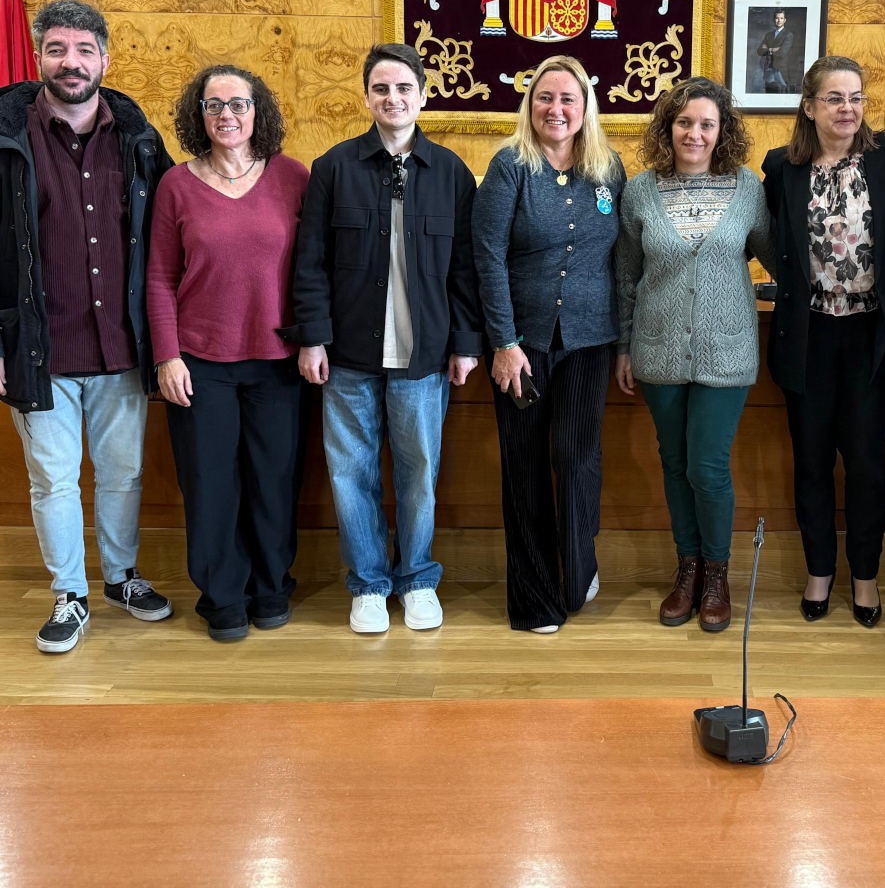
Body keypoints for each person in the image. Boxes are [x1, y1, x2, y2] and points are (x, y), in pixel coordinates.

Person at [289, 44, 483, 635]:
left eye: (403, 88)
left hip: (424, 356)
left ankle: (417, 578)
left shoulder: (451, 172)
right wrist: (312, 338)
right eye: (381, 89)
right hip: (348, 354)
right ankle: (369, 584)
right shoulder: (333, 167)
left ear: (423, 95)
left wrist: (466, 342)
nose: (393, 99)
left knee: (419, 472)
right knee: (351, 473)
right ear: (367, 97)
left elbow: (465, 270)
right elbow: (310, 261)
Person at [0, 0, 174, 654]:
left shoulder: (139, 139)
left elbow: (168, 240)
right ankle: (70, 594)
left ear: (104, 58)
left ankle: (121, 578)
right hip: (38, 349)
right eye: (57, 49)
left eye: (83, 50)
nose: (70, 62)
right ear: (39, 56)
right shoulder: (7, 138)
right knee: (53, 479)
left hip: (122, 348)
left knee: (123, 474)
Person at [148, 65, 309, 642]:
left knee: (274, 482)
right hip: (199, 362)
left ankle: (270, 589)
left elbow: (314, 268)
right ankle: (223, 599)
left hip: (278, 361)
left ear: (257, 110)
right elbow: (160, 278)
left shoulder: (293, 177)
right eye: (213, 105)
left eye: (238, 103)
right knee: (211, 485)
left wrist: (314, 337)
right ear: (199, 116)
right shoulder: (176, 185)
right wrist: (166, 356)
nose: (227, 115)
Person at [474, 55, 625, 633]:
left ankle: (578, 568)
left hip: (591, 341)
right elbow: (487, 256)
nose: (556, 109)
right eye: (545, 97)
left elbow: (622, 256)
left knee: (579, 458)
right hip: (523, 344)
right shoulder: (510, 166)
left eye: (567, 99)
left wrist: (625, 340)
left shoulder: (608, 169)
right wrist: (503, 342)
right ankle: (534, 598)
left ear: (585, 108)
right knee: (526, 464)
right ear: (529, 104)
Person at [617, 77, 773, 632]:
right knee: (675, 463)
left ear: (722, 130)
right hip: (657, 350)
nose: (695, 133)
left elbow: (776, 255)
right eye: (684, 122)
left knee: (708, 466)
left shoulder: (747, 188)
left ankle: (716, 574)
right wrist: (623, 346)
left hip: (727, 352)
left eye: (707, 123)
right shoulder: (640, 191)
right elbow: (626, 277)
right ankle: (686, 570)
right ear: (668, 127)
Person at [762, 55, 885, 628]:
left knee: (868, 464)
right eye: (834, 98)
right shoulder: (781, 166)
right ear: (809, 106)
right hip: (809, 335)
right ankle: (819, 572)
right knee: (812, 462)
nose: (847, 109)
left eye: (856, 97)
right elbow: (774, 241)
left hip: (871, 333)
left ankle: (865, 577)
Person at [756, 10, 794, 93]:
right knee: (769, 93)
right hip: (768, 69)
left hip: (781, 70)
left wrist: (768, 48)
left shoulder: (788, 35)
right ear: (774, 19)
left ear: (785, 20)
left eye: (781, 18)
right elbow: (759, 51)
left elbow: (782, 53)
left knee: (783, 93)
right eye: (777, 18)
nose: (779, 20)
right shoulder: (768, 35)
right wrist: (773, 49)